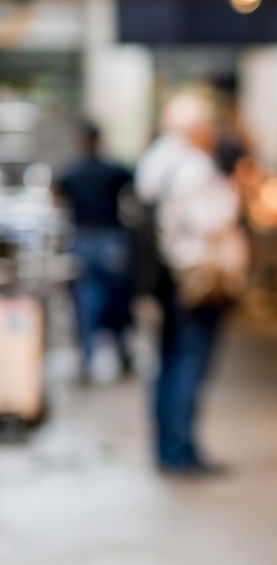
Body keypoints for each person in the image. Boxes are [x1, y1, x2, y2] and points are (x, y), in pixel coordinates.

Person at [136, 92, 249, 475]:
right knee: (188, 363)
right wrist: (236, 193)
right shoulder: (194, 167)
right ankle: (180, 449)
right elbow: (211, 221)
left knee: (168, 362)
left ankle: (168, 445)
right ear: (199, 129)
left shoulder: (155, 159)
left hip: (168, 276)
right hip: (195, 277)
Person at [56, 121, 135, 381]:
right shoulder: (114, 170)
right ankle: (123, 352)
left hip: (84, 240)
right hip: (110, 241)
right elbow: (134, 188)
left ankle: (88, 357)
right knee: (118, 298)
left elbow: (56, 196)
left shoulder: (72, 172)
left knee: (87, 301)